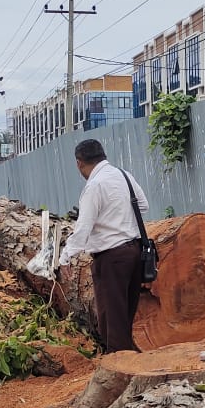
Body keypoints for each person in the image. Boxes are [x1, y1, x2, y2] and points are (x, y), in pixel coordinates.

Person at [58, 138, 149, 353]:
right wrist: (119, 219)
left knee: (111, 319)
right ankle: (126, 361)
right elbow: (143, 206)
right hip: (134, 252)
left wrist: (65, 257)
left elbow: (83, 228)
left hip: (111, 258)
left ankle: (118, 366)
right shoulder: (124, 176)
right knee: (125, 314)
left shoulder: (94, 186)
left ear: (79, 163)